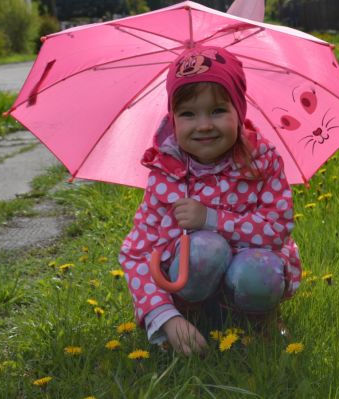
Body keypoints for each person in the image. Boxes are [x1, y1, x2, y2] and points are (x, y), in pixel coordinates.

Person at [118, 46, 301, 356]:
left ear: (239, 112)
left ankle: (256, 321)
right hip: (190, 285)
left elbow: (277, 228)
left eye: (217, 111)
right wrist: (165, 317)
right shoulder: (167, 173)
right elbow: (137, 252)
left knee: (260, 271)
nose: (203, 125)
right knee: (205, 249)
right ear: (172, 119)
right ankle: (192, 318)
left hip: (249, 273)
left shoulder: (261, 161)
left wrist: (211, 219)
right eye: (188, 114)